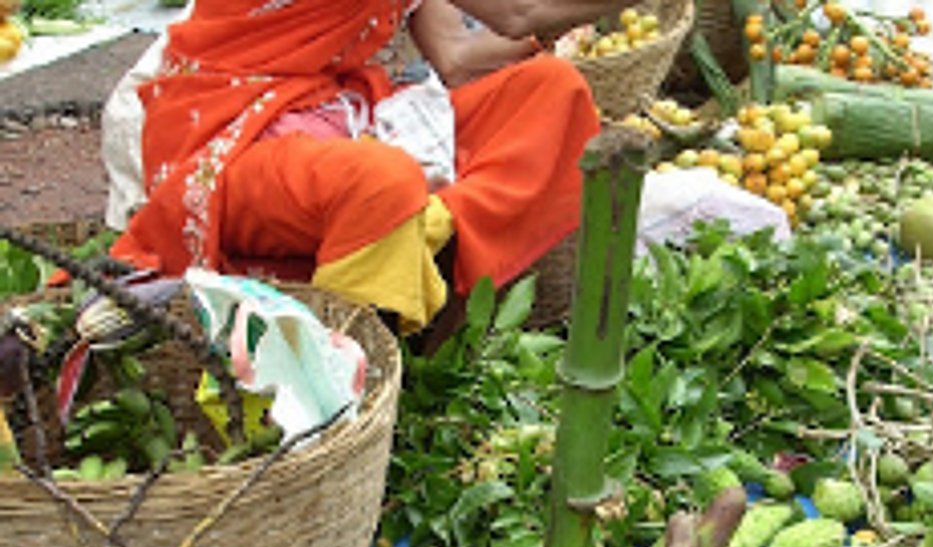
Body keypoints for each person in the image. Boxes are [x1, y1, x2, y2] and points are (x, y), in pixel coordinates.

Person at [109, 0, 634, 334]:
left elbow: (453, 55)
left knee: (550, 89)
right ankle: (353, 360)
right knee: (381, 181)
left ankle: (428, 246)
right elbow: (518, 12)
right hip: (229, 132)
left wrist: (565, 29)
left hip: (327, 113)